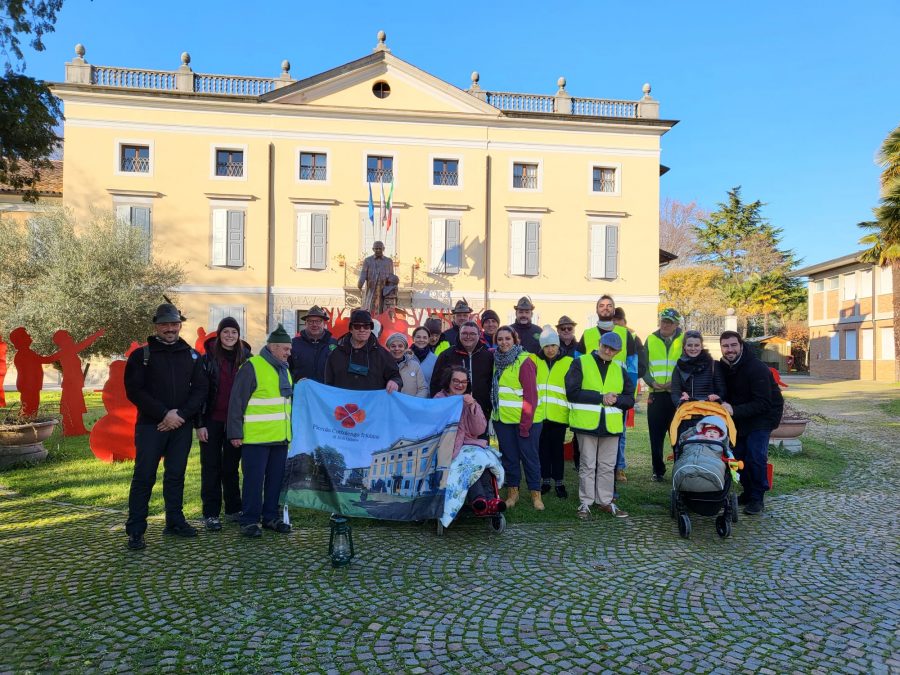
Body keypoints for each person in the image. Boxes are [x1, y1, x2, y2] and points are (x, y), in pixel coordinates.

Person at [123, 303, 208, 550]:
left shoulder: (192, 356)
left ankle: (175, 521)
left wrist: (180, 415)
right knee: (144, 476)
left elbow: (201, 389)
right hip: (152, 426)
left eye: (173, 324)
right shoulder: (142, 356)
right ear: (156, 327)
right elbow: (134, 391)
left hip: (180, 425)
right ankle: (136, 529)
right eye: (164, 325)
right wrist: (163, 413)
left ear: (180, 325)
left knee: (175, 476)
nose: (169, 329)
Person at [227, 324, 293, 538]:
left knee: (275, 480)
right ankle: (249, 520)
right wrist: (235, 433)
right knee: (254, 481)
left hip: (280, 437)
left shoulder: (284, 369)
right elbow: (237, 401)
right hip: (257, 437)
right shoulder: (252, 366)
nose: (288, 353)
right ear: (273, 347)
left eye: (289, 349)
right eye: (285, 349)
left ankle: (270, 517)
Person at [566, 331, 635, 520]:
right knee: (587, 465)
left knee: (607, 465)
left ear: (618, 351)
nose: (607, 350)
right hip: (586, 424)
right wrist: (601, 398)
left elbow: (630, 399)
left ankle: (605, 501)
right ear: (599, 343)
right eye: (605, 346)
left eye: (612, 349)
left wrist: (617, 399)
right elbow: (572, 392)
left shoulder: (620, 369)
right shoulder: (580, 362)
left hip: (611, 427)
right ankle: (585, 503)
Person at [196, 316, 251, 531]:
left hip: (235, 422)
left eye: (234, 332)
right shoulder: (207, 359)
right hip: (211, 421)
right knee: (210, 468)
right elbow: (200, 393)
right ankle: (210, 513)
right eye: (226, 332)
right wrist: (199, 424)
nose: (230, 336)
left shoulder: (247, 359)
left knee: (231, 467)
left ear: (239, 336)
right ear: (219, 334)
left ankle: (233, 509)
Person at [718, 331, 780, 516]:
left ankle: (757, 497)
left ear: (741, 346)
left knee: (755, 455)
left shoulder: (756, 367)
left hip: (763, 417)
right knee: (736, 456)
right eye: (726, 346)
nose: (730, 349)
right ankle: (747, 491)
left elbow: (764, 403)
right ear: (721, 348)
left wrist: (734, 410)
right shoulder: (724, 367)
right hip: (740, 417)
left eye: (733, 345)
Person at [491, 326, 544, 510]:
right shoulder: (496, 360)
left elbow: (531, 397)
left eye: (508, 338)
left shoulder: (525, 360)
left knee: (530, 458)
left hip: (526, 421)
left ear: (515, 340)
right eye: (500, 339)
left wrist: (525, 425)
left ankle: (535, 495)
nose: (504, 342)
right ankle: (513, 493)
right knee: (510, 458)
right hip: (503, 420)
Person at [641, 308, 684, 482]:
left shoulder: (685, 339)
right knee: (656, 436)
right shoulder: (650, 339)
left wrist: (675, 383)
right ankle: (657, 470)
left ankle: (679, 469)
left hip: (677, 397)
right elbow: (643, 367)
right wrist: (651, 382)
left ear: (677, 324)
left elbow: (688, 365)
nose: (665, 324)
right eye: (663, 320)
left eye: (669, 322)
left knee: (678, 435)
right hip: (656, 396)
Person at [430, 320, 494, 427]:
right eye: (464, 333)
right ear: (459, 334)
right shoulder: (446, 355)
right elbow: (435, 383)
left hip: (480, 413)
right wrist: (439, 407)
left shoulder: (487, 356)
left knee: (479, 443)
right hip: (452, 414)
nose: (468, 337)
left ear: (479, 335)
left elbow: (492, 383)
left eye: (472, 334)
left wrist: (489, 408)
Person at [534, 325, 573, 499]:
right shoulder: (535, 361)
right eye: (547, 346)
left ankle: (559, 482)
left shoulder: (569, 362)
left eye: (553, 346)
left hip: (559, 414)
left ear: (558, 346)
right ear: (542, 347)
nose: (550, 349)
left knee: (557, 450)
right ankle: (546, 481)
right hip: (540, 414)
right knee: (543, 449)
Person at [325, 309, 402, 392]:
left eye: (366, 326)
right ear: (351, 329)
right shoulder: (336, 354)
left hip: (372, 403)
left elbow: (395, 376)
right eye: (357, 326)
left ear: (370, 329)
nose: (362, 330)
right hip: (344, 403)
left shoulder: (382, 354)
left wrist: (394, 382)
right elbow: (328, 383)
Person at [671, 330, 727, 438]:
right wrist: (680, 401)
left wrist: (717, 397)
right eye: (689, 345)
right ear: (684, 347)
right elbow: (675, 391)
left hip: (711, 413)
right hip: (687, 414)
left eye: (696, 345)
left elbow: (722, 390)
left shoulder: (714, 365)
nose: (693, 348)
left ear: (701, 346)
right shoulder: (678, 367)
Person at [611, 307, 643, 483]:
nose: (616, 323)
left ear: (624, 321)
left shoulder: (632, 338)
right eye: (613, 320)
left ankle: (620, 468)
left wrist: (629, 392)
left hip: (622, 393)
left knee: (621, 433)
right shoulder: (602, 335)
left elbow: (637, 365)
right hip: (603, 391)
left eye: (618, 320)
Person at [577, 295, 635, 368]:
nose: (605, 308)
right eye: (601, 306)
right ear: (596, 310)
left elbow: (633, 365)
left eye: (609, 306)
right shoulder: (587, 334)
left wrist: (630, 379)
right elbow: (578, 363)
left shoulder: (625, 333)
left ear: (614, 311)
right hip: (592, 379)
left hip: (618, 379)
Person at [289, 305, 337, 384]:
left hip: (326, 392)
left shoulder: (334, 343)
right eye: (310, 321)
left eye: (318, 321)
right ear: (305, 323)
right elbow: (286, 369)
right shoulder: (294, 344)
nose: (314, 325)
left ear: (324, 323)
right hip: (301, 391)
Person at [386, 332, 428, 397]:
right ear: (389, 348)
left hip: (410, 406)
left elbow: (423, 388)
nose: (397, 349)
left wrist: (414, 403)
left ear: (405, 348)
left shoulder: (415, 366)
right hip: (390, 405)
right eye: (393, 346)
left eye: (400, 346)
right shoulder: (384, 366)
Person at [358, 240, 394, 315]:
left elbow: (391, 276)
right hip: (371, 289)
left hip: (383, 290)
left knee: (383, 310)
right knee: (369, 308)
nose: (378, 250)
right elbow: (363, 273)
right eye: (376, 248)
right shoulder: (367, 260)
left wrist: (393, 285)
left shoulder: (389, 261)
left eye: (380, 248)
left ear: (383, 249)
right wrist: (360, 282)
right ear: (373, 249)